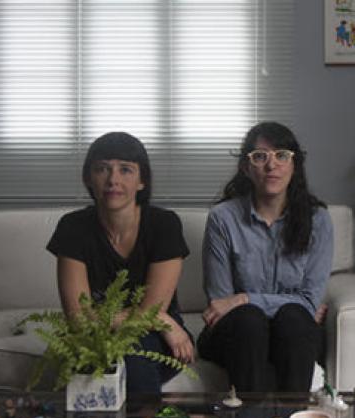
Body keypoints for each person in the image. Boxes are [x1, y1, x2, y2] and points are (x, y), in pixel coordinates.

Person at [46, 131, 194, 394]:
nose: (113, 179)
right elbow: (78, 321)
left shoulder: (164, 225)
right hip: (102, 337)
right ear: (88, 178)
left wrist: (160, 320)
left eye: (125, 170)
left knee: (132, 359)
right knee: (87, 363)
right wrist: (161, 319)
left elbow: (151, 312)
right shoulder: (72, 227)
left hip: (158, 336)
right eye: (102, 169)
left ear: (142, 181)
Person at [199, 122, 333, 392]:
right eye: (260, 157)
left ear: (294, 165)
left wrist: (244, 298)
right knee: (250, 321)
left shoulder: (318, 220)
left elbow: (308, 302)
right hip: (237, 334)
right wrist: (253, 305)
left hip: (292, 335)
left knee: (294, 318)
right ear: (246, 167)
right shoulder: (222, 219)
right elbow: (220, 305)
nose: (272, 165)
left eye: (282, 155)